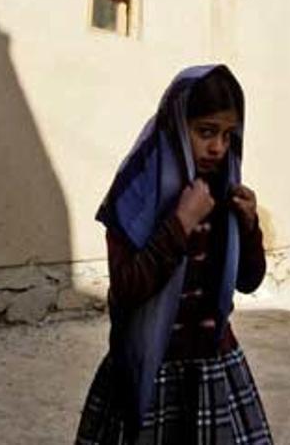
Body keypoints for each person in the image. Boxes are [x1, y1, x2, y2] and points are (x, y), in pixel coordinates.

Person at [76, 65, 273, 444]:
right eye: (206, 132)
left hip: (214, 367)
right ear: (176, 126)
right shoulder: (136, 196)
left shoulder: (223, 193)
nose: (218, 148)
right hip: (150, 370)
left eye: (228, 135)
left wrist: (250, 226)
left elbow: (249, 281)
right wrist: (181, 222)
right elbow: (127, 287)